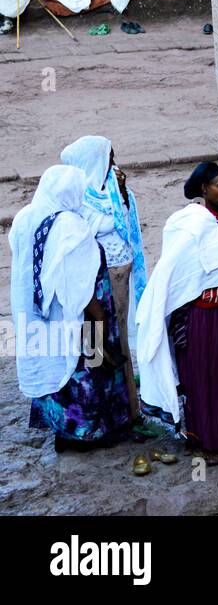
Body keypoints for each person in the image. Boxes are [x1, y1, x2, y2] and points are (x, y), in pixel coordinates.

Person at [136, 162, 218, 465]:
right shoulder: (191, 227)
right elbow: (174, 275)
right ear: (204, 189)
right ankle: (204, 441)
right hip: (200, 319)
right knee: (202, 379)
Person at [10, 165, 133, 452]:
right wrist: (99, 319)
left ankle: (63, 432)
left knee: (55, 367)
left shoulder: (26, 217)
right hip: (80, 314)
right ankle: (86, 435)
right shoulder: (71, 226)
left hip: (39, 315)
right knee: (87, 369)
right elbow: (78, 286)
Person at [58, 136, 152, 433]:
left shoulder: (112, 188)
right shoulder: (78, 199)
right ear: (94, 162)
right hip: (97, 285)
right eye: (108, 158)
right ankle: (108, 414)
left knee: (119, 340)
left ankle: (127, 408)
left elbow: (124, 221)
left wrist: (122, 192)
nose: (114, 163)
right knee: (97, 345)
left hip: (120, 279)